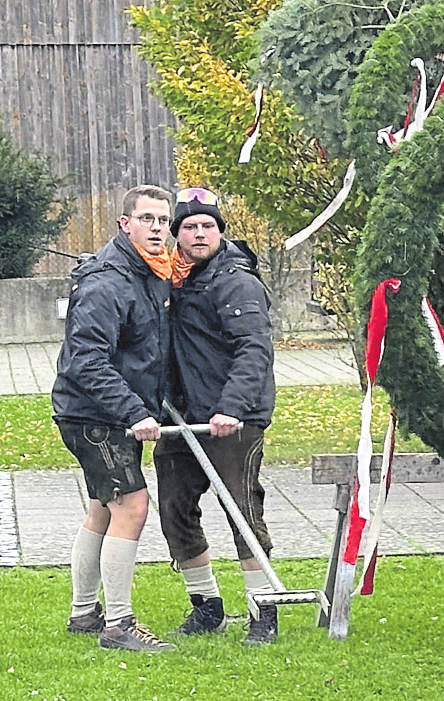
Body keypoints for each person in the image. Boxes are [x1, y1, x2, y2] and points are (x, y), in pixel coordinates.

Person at [150, 187, 280, 644]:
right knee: (174, 510)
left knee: (242, 510)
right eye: (189, 226)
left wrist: (232, 406)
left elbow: (253, 349)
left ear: (220, 232)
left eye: (207, 225)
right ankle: (207, 607)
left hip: (231, 418)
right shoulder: (172, 278)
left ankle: (264, 611)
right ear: (176, 235)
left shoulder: (235, 280)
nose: (199, 233)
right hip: (179, 416)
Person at [53, 185, 178, 652]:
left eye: (163, 221)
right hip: (95, 415)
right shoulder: (109, 282)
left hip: (106, 412)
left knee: (103, 507)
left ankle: (84, 613)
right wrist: (135, 412)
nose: (157, 229)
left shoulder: (147, 273)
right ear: (124, 223)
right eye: (146, 219)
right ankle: (119, 624)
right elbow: (88, 361)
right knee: (132, 506)